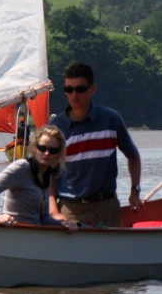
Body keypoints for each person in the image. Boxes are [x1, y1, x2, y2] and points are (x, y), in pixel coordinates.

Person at [50, 62, 142, 228]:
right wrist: (53, 209)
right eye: (68, 89)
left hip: (105, 207)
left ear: (93, 89)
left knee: (109, 254)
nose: (74, 95)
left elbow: (133, 156)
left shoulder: (111, 119)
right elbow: (49, 173)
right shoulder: (56, 127)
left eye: (80, 89)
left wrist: (135, 190)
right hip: (69, 208)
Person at [0, 125, 78, 231]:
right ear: (35, 148)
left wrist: (62, 223)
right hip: (14, 233)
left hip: (34, 235)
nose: (47, 153)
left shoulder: (47, 175)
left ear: (59, 154)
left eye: (53, 150)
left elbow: (43, 218)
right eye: (42, 148)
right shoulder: (21, 167)